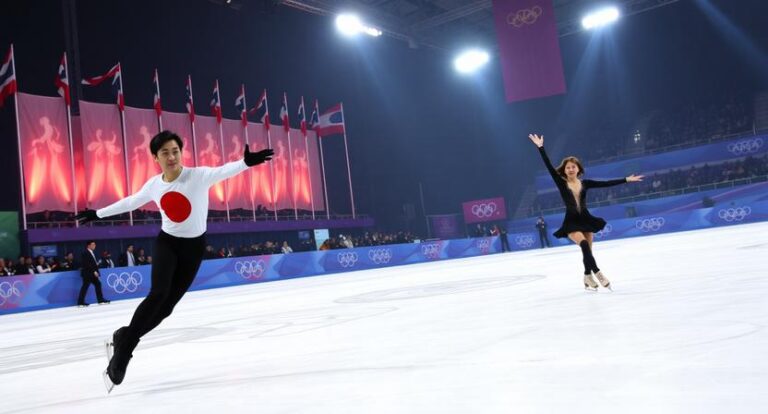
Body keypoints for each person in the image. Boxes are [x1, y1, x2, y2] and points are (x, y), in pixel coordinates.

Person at [75, 130, 273, 391]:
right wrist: (98, 214)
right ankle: (124, 352)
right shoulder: (154, 185)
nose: (171, 157)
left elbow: (224, 171)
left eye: (175, 151)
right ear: (155, 157)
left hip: (194, 247)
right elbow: (132, 202)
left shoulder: (197, 176)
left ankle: (124, 335)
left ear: (181, 152)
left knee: (167, 308)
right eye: (165, 153)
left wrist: (246, 162)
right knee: (158, 294)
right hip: (167, 243)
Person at [528, 134, 643, 290]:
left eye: (573, 167)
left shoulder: (585, 183)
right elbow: (548, 166)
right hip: (571, 222)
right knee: (583, 244)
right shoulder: (561, 183)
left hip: (586, 219)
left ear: (578, 169)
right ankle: (598, 272)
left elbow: (605, 183)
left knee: (588, 251)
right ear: (564, 170)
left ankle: (587, 276)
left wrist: (626, 179)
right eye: (568, 167)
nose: (570, 169)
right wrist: (540, 147)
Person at [77, 240, 110, 306]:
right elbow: (86, 264)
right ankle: (80, 302)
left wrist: (96, 270)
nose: (94, 246)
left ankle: (100, 300)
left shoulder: (92, 252)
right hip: (87, 273)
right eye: (93, 244)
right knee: (85, 287)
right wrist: (94, 271)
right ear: (88, 245)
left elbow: (93, 263)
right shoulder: (85, 253)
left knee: (98, 284)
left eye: (95, 244)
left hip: (92, 273)